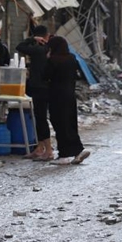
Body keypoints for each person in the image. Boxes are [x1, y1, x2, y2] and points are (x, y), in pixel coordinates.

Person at [44, 36, 91, 165]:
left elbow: (45, 75)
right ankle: (77, 150)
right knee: (70, 123)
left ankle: (64, 154)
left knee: (59, 124)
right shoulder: (72, 58)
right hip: (70, 95)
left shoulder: (53, 60)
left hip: (57, 96)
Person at [16, 25, 53, 160]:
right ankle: (39, 148)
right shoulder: (47, 49)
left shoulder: (38, 50)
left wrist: (32, 39)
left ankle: (48, 150)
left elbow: (19, 47)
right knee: (39, 118)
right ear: (46, 36)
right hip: (45, 87)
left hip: (39, 88)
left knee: (41, 119)